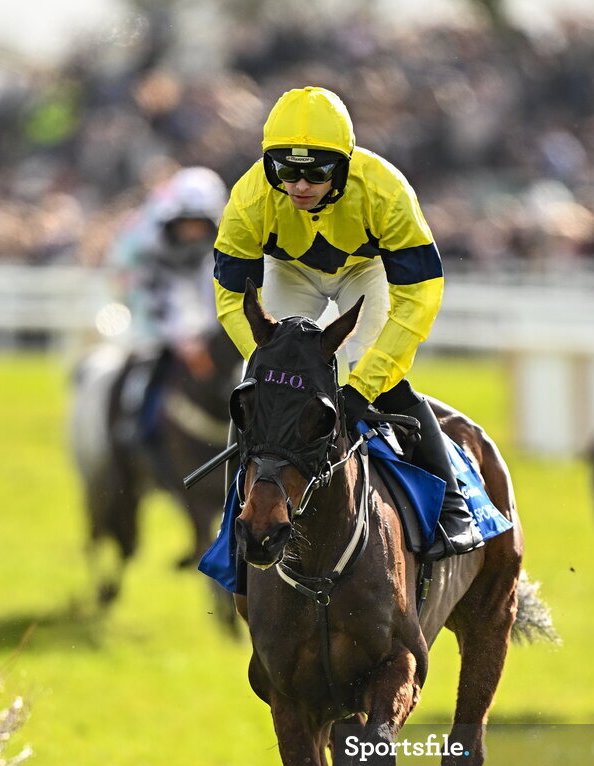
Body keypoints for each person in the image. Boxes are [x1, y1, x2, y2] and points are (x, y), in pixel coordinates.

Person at [213, 86, 483, 560]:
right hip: (288, 271)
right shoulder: (250, 196)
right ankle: (234, 519)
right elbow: (234, 296)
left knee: (379, 378)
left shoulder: (386, 190)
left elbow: (418, 296)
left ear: (343, 165)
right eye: (285, 170)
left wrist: (362, 386)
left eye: (315, 171)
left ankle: (452, 508)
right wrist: (267, 357)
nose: (298, 185)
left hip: (366, 270)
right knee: (257, 385)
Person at [110, 166, 229, 439]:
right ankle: (133, 421)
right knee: (150, 360)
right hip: (153, 309)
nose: (193, 230)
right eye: (187, 221)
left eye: (200, 222)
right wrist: (182, 340)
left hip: (200, 312)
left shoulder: (220, 244)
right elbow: (155, 295)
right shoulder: (151, 243)